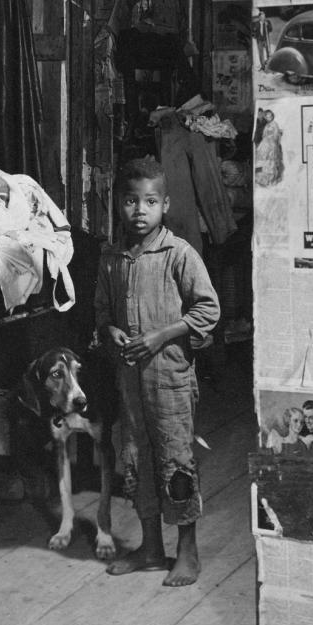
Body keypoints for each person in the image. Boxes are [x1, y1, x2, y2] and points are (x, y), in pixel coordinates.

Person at [96, 157, 219, 587]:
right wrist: (109, 330)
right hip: (130, 383)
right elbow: (102, 312)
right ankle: (151, 548)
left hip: (170, 379)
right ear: (119, 205)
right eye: (131, 201)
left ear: (165, 204)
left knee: (175, 460)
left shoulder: (178, 254)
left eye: (150, 201)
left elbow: (208, 309)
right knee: (138, 459)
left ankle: (187, 550)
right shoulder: (112, 258)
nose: (140, 210)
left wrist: (162, 335)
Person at [255, 109, 284, 187]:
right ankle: (262, 178)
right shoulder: (267, 125)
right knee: (262, 159)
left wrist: (272, 140)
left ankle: (270, 178)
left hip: (272, 144)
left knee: (271, 161)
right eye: (267, 117)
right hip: (265, 143)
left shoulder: (274, 124)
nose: (268, 118)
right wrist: (266, 139)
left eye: (270, 116)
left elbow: (276, 135)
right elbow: (264, 135)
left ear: (272, 116)